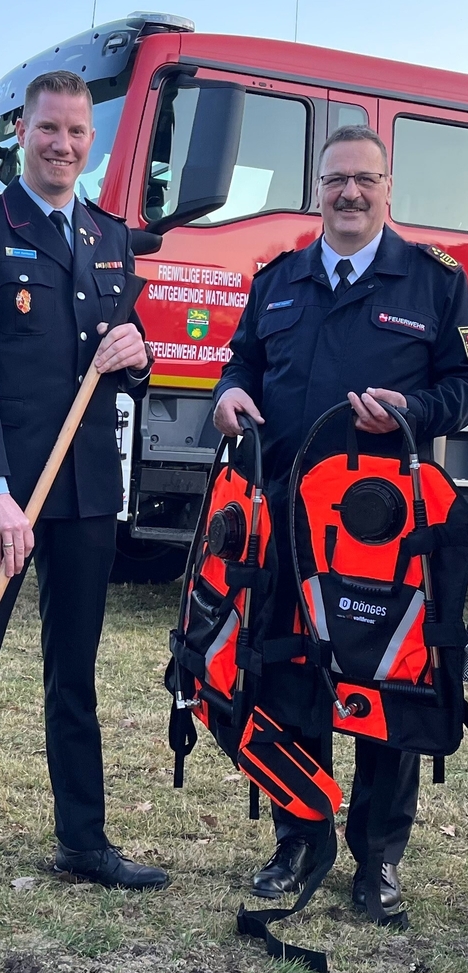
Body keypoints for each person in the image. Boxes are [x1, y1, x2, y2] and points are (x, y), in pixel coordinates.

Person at [213, 124, 468, 912]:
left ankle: (377, 861)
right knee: (289, 679)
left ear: (388, 188)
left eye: (365, 179)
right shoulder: (280, 276)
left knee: (385, 687)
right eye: (336, 180)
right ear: (318, 189)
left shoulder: (434, 281)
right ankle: (299, 844)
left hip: (383, 534)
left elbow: (464, 390)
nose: (350, 193)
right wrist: (228, 394)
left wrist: (409, 410)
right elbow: (243, 362)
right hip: (287, 524)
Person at [0, 71, 163, 889]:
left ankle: (83, 843)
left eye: (77, 131)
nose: (63, 144)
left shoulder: (108, 235)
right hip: (4, 493)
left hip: (84, 491)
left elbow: (131, 356)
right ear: (21, 132)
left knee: (76, 672)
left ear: (91, 141)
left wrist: (138, 354)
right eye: (48, 128)